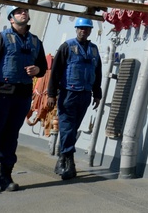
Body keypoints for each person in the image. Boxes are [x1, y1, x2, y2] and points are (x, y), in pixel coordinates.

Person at [0, 6, 47, 196]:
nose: (23, 13)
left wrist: (37, 70)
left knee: (11, 136)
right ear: (11, 18)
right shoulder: (1, 39)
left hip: (22, 96)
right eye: (19, 11)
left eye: (25, 11)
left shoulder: (36, 42)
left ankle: (5, 177)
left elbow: (43, 67)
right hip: (1, 95)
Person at [46, 16, 102, 180]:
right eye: (81, 28)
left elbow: (97, 72)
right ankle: (68, 161)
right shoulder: (67, 47)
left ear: (90, 30)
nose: (83, 31)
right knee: (67, 128)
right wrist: (51, 94)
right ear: (76, 29)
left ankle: (63, 159)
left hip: (85, 94)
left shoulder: (94, 50)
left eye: (86, 28)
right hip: (68, 93)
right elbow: (55, 72)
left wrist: (97, 94)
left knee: (73, 127)